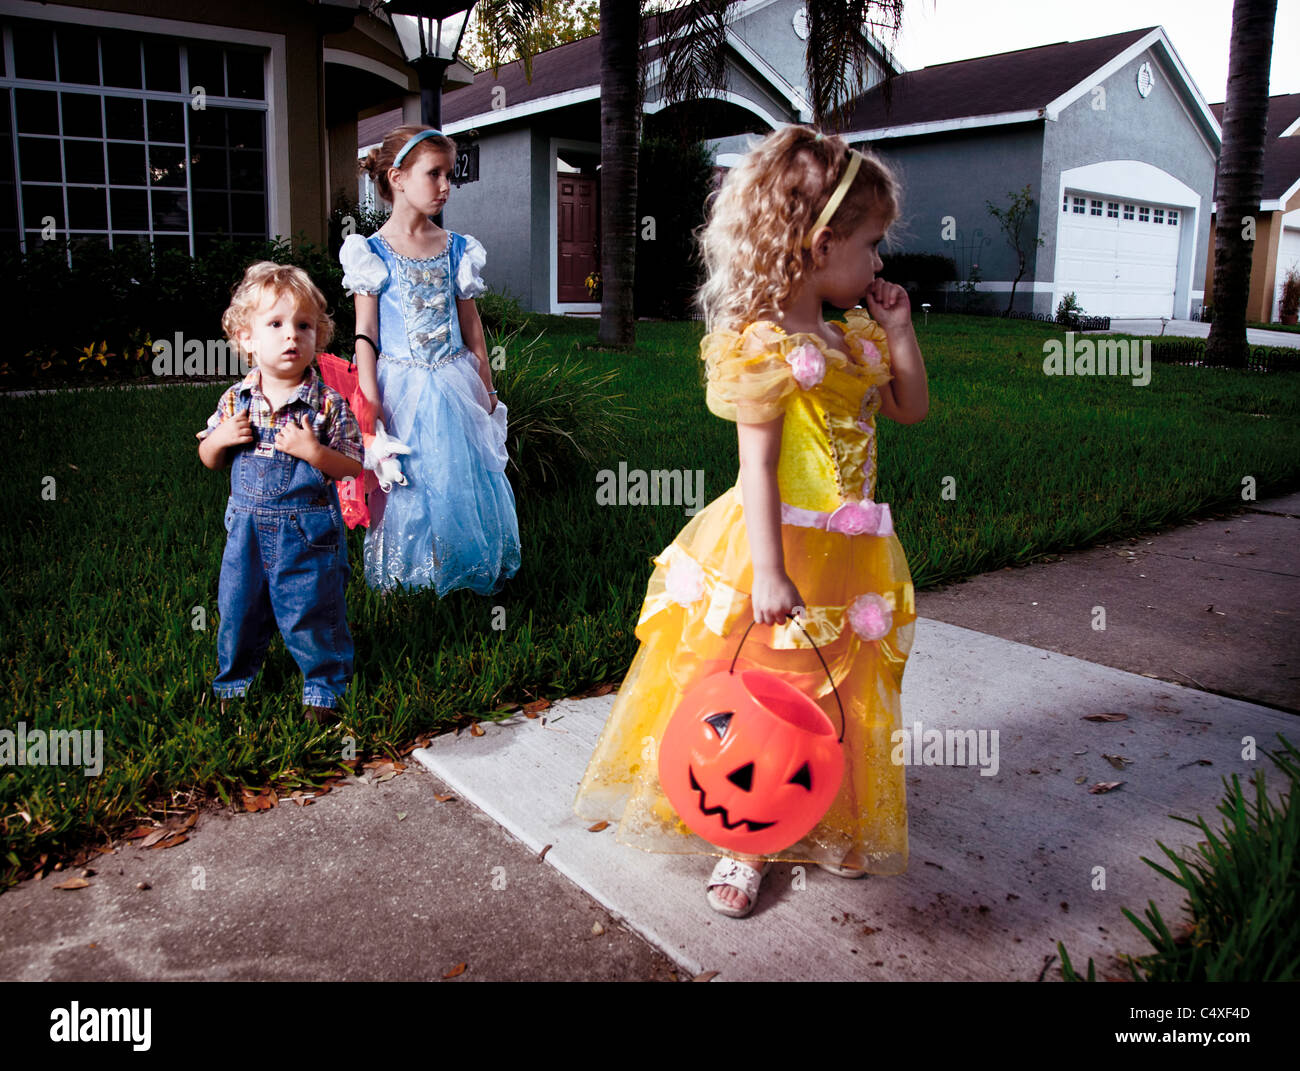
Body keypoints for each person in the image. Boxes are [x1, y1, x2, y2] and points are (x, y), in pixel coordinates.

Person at [573, 126, 930, 917]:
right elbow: (758, 468)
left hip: (855, 553)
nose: (878, 264)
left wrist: (901, 332)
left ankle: (824, 810)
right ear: (819, 242)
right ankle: (748, 835)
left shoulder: (853, 337)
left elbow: (909, 407)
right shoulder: (764, 347)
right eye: (870, 245)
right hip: (779, 548)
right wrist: (768, 570)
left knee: (839, 680)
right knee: (772, 684)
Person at [340, 125, 520, 595]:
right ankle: (414, 572)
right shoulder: (372, 252)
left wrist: (486, 383)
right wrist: (371, 397)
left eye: (449, 175)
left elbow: (472, 327)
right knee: (411, 474)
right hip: (399, 382)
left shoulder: (457, 248)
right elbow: (366, 333)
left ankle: (465, 562)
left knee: (460, 473)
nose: (445, 186)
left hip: (452, 376)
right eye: (433, 174)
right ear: (397, 178)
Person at [197, 262, 364, 721]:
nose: (292, 335)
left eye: (304, 325)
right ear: (247, 338)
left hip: (308, 534)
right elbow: (208, 458)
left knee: (312, 609)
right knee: (238, 609)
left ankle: (324, 689)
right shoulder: (236, 400)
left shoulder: (329, 404)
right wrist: (218, 440)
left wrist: (314, 452)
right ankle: (233, 682)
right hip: (245, 531)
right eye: (275, 324)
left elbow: (352, 465)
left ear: (319, 336)